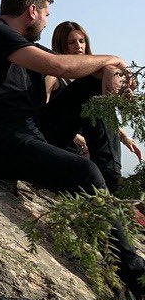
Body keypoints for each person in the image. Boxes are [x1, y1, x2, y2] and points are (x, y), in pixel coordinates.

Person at [0, 0, 145, 298]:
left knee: (89, 92)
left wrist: (108, 71)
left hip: (32, 131)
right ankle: (134, 275)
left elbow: (81, 70)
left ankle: (108, 191)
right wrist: (114, 59)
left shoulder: (17, 43)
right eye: (45, 14)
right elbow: (59, 65)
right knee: (83, 173)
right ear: (32, 11)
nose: (45, 21)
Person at [47, 21, 142, 191]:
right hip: (61, 143)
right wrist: (77, 137)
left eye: (81, 41)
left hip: (84, 148)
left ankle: (111, 175)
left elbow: (97, 115)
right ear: (61, 45)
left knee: (98, 90)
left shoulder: (90, 77)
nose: (78, 46)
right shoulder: (53, 75)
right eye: (71, 42)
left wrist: (124, 137)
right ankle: (111, 178)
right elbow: (45, 115)